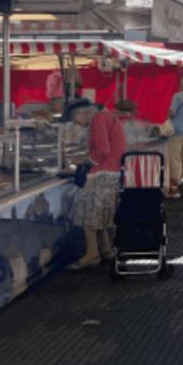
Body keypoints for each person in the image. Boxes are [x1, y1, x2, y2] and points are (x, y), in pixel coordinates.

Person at [68, 100, 127, 270]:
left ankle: (92, 254)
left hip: (102, 172)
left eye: (75, 118)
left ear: (81, 113)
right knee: (102, 215)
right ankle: (106, 250)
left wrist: (85, 161)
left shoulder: (98, 119)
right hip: (112, 170)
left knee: (89, 214)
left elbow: (102, 150)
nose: (77, 123)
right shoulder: (107, 117)